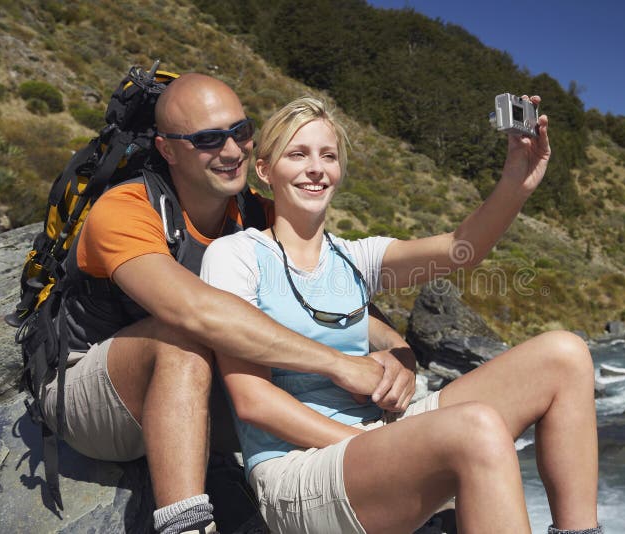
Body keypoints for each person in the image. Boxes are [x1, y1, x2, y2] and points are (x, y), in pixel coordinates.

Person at [201, 96, 603, 533]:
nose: (316, 168)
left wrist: (515, 182)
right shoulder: (235, 256)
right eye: (297, 155)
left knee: (565, 355)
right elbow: (252, 401)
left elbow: (459, 250)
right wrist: (379, 443)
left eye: (328, 156)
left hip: (377, 440)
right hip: (295, 470)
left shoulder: (357, 258)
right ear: (265, 170)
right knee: (475, 427)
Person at [39, 74, 415, 534]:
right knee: (184, 337)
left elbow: (332, 286)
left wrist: (399, 351)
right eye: (208, 140)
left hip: (194, 394)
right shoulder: (127, 210)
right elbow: (194, 313)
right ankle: (187, 525)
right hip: (91, 390)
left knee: (270, 372)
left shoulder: (254, 213)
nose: (233, 150)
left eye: (241, 131)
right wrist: (340, 364)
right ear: (168, 149)